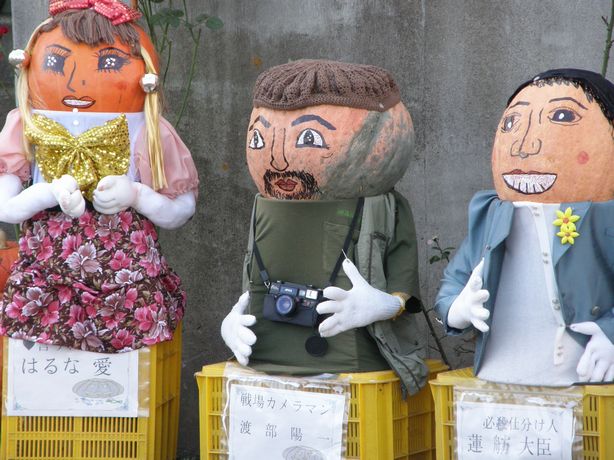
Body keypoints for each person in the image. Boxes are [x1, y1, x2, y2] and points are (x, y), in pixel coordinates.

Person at [0, 0, 199, 352]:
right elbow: (6, 206)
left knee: (125, 375)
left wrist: (136, 194)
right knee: (46, 368)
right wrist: (46, 193)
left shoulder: (148, 131)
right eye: (56, 63)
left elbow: (182, 208)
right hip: (47, 277)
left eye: (109, 63)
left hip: (124, 283)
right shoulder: (25, 124)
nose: (76, 82)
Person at [221, 59, 428, 395]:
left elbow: (405, 288)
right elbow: (251, 282)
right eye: (260, 138)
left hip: (352, 368)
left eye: (309, 138)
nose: (278, 161)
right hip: (269, 363)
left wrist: (384, 305)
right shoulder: (265, 207)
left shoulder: (384, 208)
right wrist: (233, 321)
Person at [436, 69, 614, 385]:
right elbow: (456, 279)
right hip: (497, 377)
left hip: (577, 379)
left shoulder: (604, 219)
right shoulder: (490, 215)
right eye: (511, 123)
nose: (523, 146)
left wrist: (610, 333)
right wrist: (457, 308)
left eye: (562, 116)